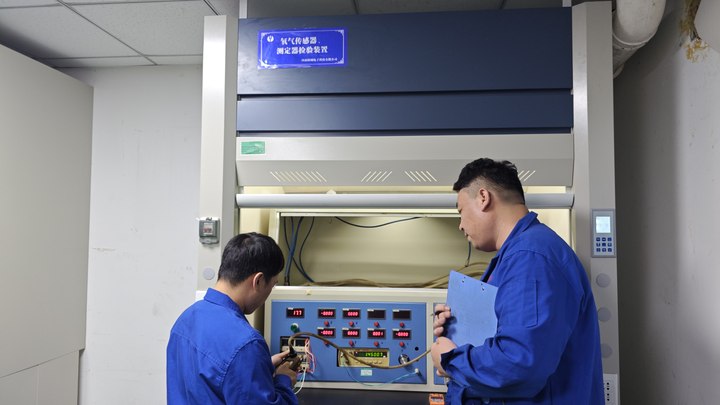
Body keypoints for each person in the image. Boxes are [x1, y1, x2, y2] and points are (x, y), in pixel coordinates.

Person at [431, 158, 603, 404]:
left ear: (483, 197)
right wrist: (456, 333)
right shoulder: (519, 255)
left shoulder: (531, 257)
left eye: (460, 211)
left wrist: (451, 360)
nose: (460, 225)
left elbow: (519, 364)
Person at [167, 232, 298, 405]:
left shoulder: (185, 319)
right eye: (272, 285)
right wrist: (283, 381)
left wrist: (261, 367)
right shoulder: (246, 344)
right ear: (258, 281)